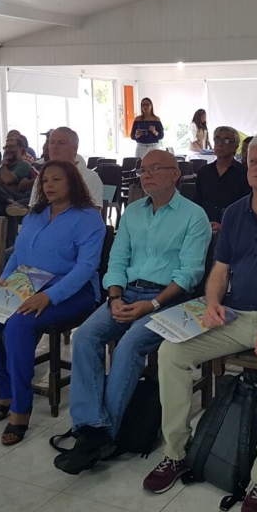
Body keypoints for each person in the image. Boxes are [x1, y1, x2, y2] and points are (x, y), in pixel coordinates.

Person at [143, 133, 257, 512]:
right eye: (252, 162)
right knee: (171, 352)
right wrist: (211, 302)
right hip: (236, 315)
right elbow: (220, 271)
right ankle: (175, 453)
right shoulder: (236, 212)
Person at [53, 150, 211, 474]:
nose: (146, 174)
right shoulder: (133, 213)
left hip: (170, 300)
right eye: (143, 169)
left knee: (130, 345)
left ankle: (103, 436)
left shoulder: (194, 216)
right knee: (85, 337)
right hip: (125, 293)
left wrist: (150, 305)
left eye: (155, 169)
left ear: (175, 174)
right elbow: (117, 261)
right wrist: (114, 298)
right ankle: (90, 426)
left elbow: (189, 274)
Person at [0, 160, 105, 446]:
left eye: (57, 180)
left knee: (18, 325)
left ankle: (20, 407)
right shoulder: (36, 213)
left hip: (72, 291)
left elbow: (86, 268)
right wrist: (6, 277)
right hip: (26, 283)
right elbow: (18, 252)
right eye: (45, 181)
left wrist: (50, 296)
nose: (49, 186)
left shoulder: (88, 217)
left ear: (73, 183)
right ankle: (5, 390)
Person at [10, 127, 103, 215]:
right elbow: (34, 211)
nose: (55, 147)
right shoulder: (43, 177)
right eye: (51, 142)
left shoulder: (90, 177)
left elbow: (92, 217)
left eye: (61, 143)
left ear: (74, 148)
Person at [194, 126, 251, 232]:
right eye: (217, 139)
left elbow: (246, 208)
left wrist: (224, 226)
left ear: (235, 146)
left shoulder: (244, 173)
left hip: (233, 229)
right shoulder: (204, 172)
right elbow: (197, 202)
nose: (220, 144)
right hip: (203, 227)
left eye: (226, 140)